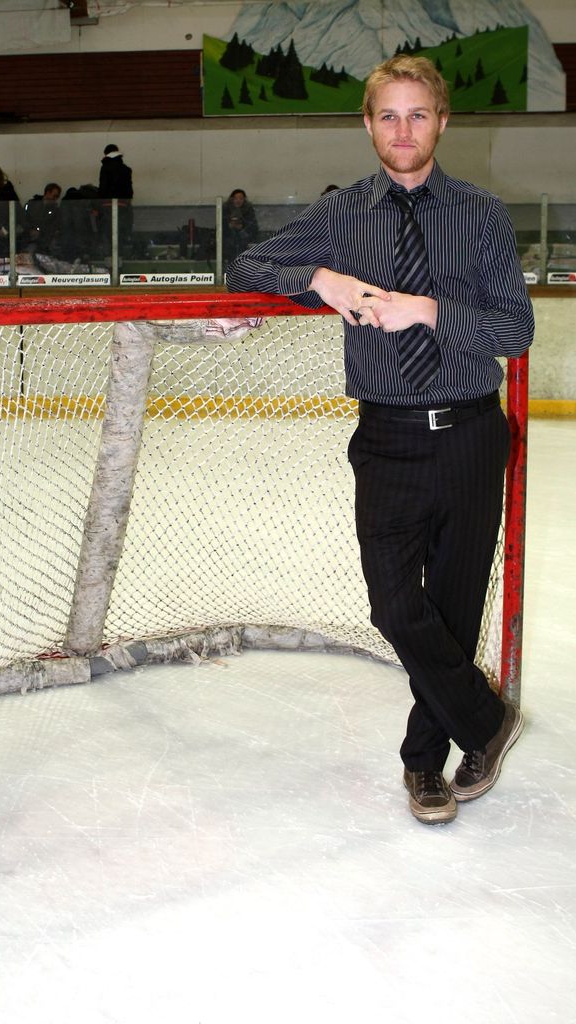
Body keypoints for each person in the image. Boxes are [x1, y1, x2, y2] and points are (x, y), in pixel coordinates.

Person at [226, 54, 534, 827]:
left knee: (453, 612)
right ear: (366, 125)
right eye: (388, 115)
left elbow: (513, 330)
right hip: (387, 437)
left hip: (470, 435)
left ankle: (423, 761)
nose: (403, 129)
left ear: (441, 121)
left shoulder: (480, 213)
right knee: (395, 607)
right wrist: (317, 280)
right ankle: (487, 720)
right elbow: (244, 267)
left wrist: (426, 309)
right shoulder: (341, 215)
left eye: (417, 114)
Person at [98, 143, 133, 252]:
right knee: (120, 231)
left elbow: (103, 188)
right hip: (123, 204)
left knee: (108, 232)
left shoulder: (105, 168)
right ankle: (120, 255)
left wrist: (98, 205)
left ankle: (109, 255)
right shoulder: (126, 169)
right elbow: (129, 190)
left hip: (107, 204)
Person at [222, 188, 258, 263]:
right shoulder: (225, 210)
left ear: (244, 200)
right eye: (236, 198)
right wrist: (229, 226)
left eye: (241, 198)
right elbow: (220, 227)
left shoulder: (249, 210)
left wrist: (242, 228)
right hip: (228, 243)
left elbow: (254, 227)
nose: (238, 201)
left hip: (244, 243)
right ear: (232, 199)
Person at [24, 182, 62, 253]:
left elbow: (55, 226)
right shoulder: (31, 204)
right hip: (30, 238)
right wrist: (30, 230)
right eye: (54, 196)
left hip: (46, 241)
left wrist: (41, 233)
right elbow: (23, 219)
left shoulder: (56, 210)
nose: (55, 198)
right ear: (47, 193)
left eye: (57, 197)